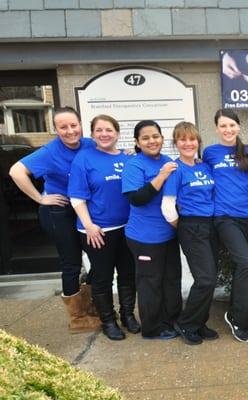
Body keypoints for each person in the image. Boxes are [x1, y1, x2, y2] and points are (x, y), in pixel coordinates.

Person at [9, 107, 100, 333]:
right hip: (58, 212)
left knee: (99, 258)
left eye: (73, 125)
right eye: (63, 127)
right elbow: (16, 171)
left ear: (80, 124)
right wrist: (40, 198)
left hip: (84, 210)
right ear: (55, 129)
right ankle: (77, 318)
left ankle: (91, 308)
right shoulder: (50, 151)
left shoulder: (89, 144)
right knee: (71, 263)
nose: (70, 131)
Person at [68, 114, 139, 340]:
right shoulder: (84, 158)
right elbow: (76, 197)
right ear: (92, 135)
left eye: (109, 130)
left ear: (117, 133)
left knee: (128, 274)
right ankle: (108, 320)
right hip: (98, 231)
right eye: (99, 130)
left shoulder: (129, 158)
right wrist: (89, 225)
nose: (104, 134)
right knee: (102, 277)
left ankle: (127, 314)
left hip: (128, 228)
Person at [161, 122, 219, 346]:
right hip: (191, 226)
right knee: (204, 279)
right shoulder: (175, 170)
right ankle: (186, 323)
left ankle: (199, 322)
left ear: (198, 142)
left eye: (192, 139)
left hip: (210, 225)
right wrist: (184, 227)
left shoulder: (203, 166)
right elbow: (168, 206)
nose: (188, 143)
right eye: (183, 139)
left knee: (210, 279)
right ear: (176, 143)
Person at [122, 120, 181, 340]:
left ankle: (172, 320)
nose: (151, 141)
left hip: (169, 233)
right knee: (150, 283)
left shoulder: (168, 161)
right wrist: (162, 176)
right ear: (137, 142)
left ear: (162, 138)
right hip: (144, 237)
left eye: (155, 136)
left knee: (171, 279)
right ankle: (152, 328)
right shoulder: (134, 165)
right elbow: (137, 199)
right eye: (145, 138)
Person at [203, 109, 248, 343]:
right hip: (224, 217)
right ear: (216, 128)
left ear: (239, 127)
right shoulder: (210, 153)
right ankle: (237, 318)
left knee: (245, 267)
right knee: (246, 262)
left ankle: (238, 311)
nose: (228, 130)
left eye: (232, 125)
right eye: (223, 126)